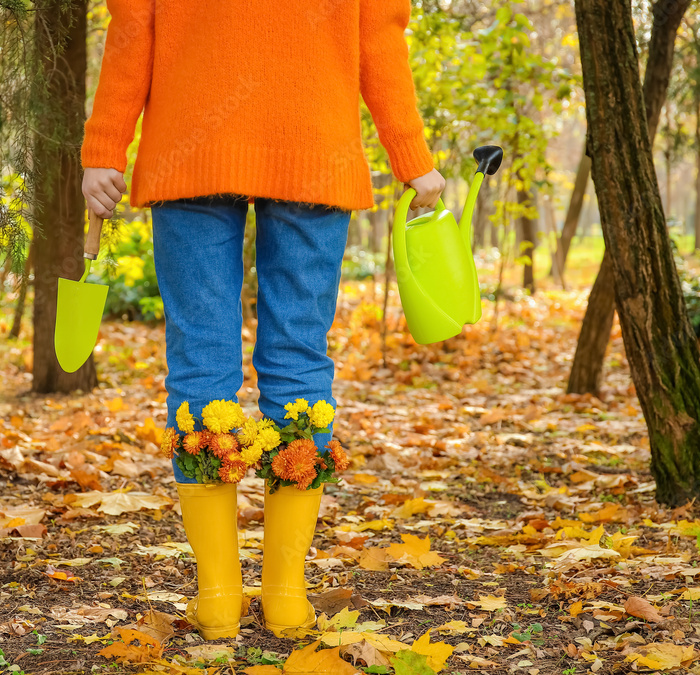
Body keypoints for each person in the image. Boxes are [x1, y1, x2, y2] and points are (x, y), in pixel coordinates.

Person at [80, 0, 444, 640]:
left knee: (199, 365)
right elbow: (379, 40)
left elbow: (133, 27)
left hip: (189, 145)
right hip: (313, 143)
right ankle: (285, 596)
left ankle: (219, 599)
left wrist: (106, 145)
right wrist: (413, 159)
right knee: (299, 361)